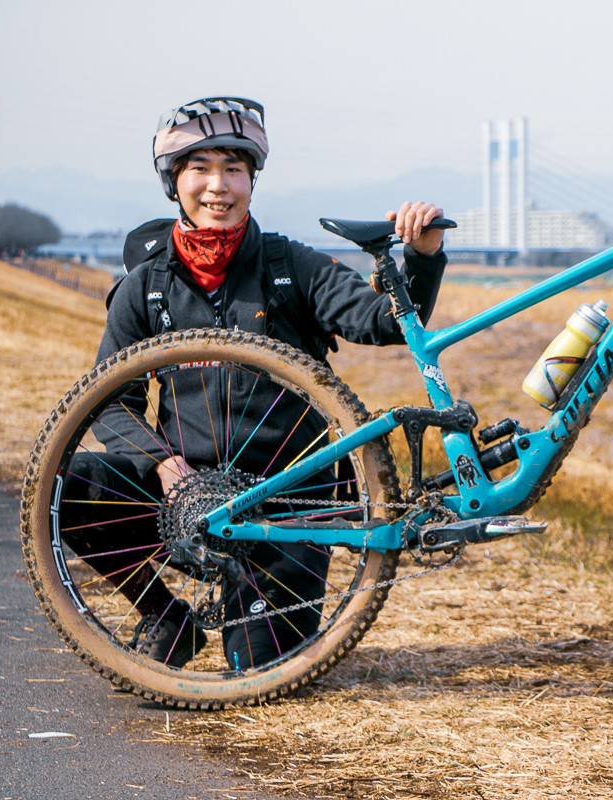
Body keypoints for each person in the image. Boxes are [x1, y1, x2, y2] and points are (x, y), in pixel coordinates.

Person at [60, 96, 447, 670]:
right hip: (185, 502)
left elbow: (384, 321)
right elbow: (107, 405)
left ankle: (258, 611)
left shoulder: (292, 266)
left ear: (251, 180)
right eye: (200, 168)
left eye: (233, 169)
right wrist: (165, 465)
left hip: (288, 507)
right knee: (73, 484)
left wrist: (422, 255)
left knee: (258, 670)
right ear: (174, 182)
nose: (218, 187)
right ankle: (167, 618)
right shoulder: (146, 287)